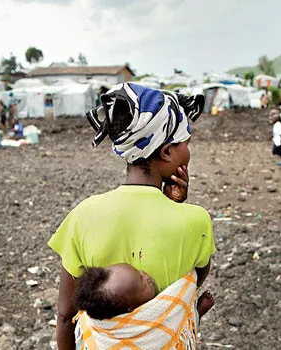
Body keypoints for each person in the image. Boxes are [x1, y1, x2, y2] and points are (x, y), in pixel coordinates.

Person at [48, 83, 214, 349]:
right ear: (167, 151)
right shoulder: (195, 220)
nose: (188, 151)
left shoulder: (82, 215)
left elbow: (66, 315)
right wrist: (179, 207)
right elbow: (193, 281)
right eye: (186, 142)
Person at [74, 263, 214, 320]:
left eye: (139, 273)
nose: (147, 277)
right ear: (131, 308)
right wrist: (197, 312)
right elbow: (177, 331)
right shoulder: (149, 323)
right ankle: (197, 314)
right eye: (142, 285)